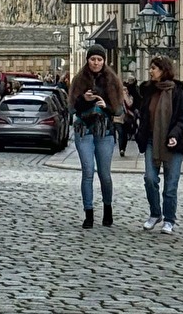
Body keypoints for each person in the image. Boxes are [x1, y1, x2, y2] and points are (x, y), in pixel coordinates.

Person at [70, 43, 123, 228]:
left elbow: (118, 110)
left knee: (105, 174)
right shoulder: (79, 79)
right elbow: (72, 108)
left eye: (99, 59)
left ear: (104, 61)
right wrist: (84, 101)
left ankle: (107, 208)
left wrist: (104, 105)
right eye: (93, 59)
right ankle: (89, 213)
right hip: (84, 129)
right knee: (87, 171)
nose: (96, 63)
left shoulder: (112, 80)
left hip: (105, 131)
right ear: (88, 60)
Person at [137, 55, 183, 234]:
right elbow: (143, 115)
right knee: (150, 178)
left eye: (154, 68)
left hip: (172, 142)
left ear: (163, 70)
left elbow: (182, 118)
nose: (150, 71)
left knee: (171, 184)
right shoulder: (148, 90)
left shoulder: (177, 92)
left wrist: (175, 134)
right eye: (150, 68)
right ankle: (155, 213)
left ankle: (169, 219)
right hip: (152, 139)